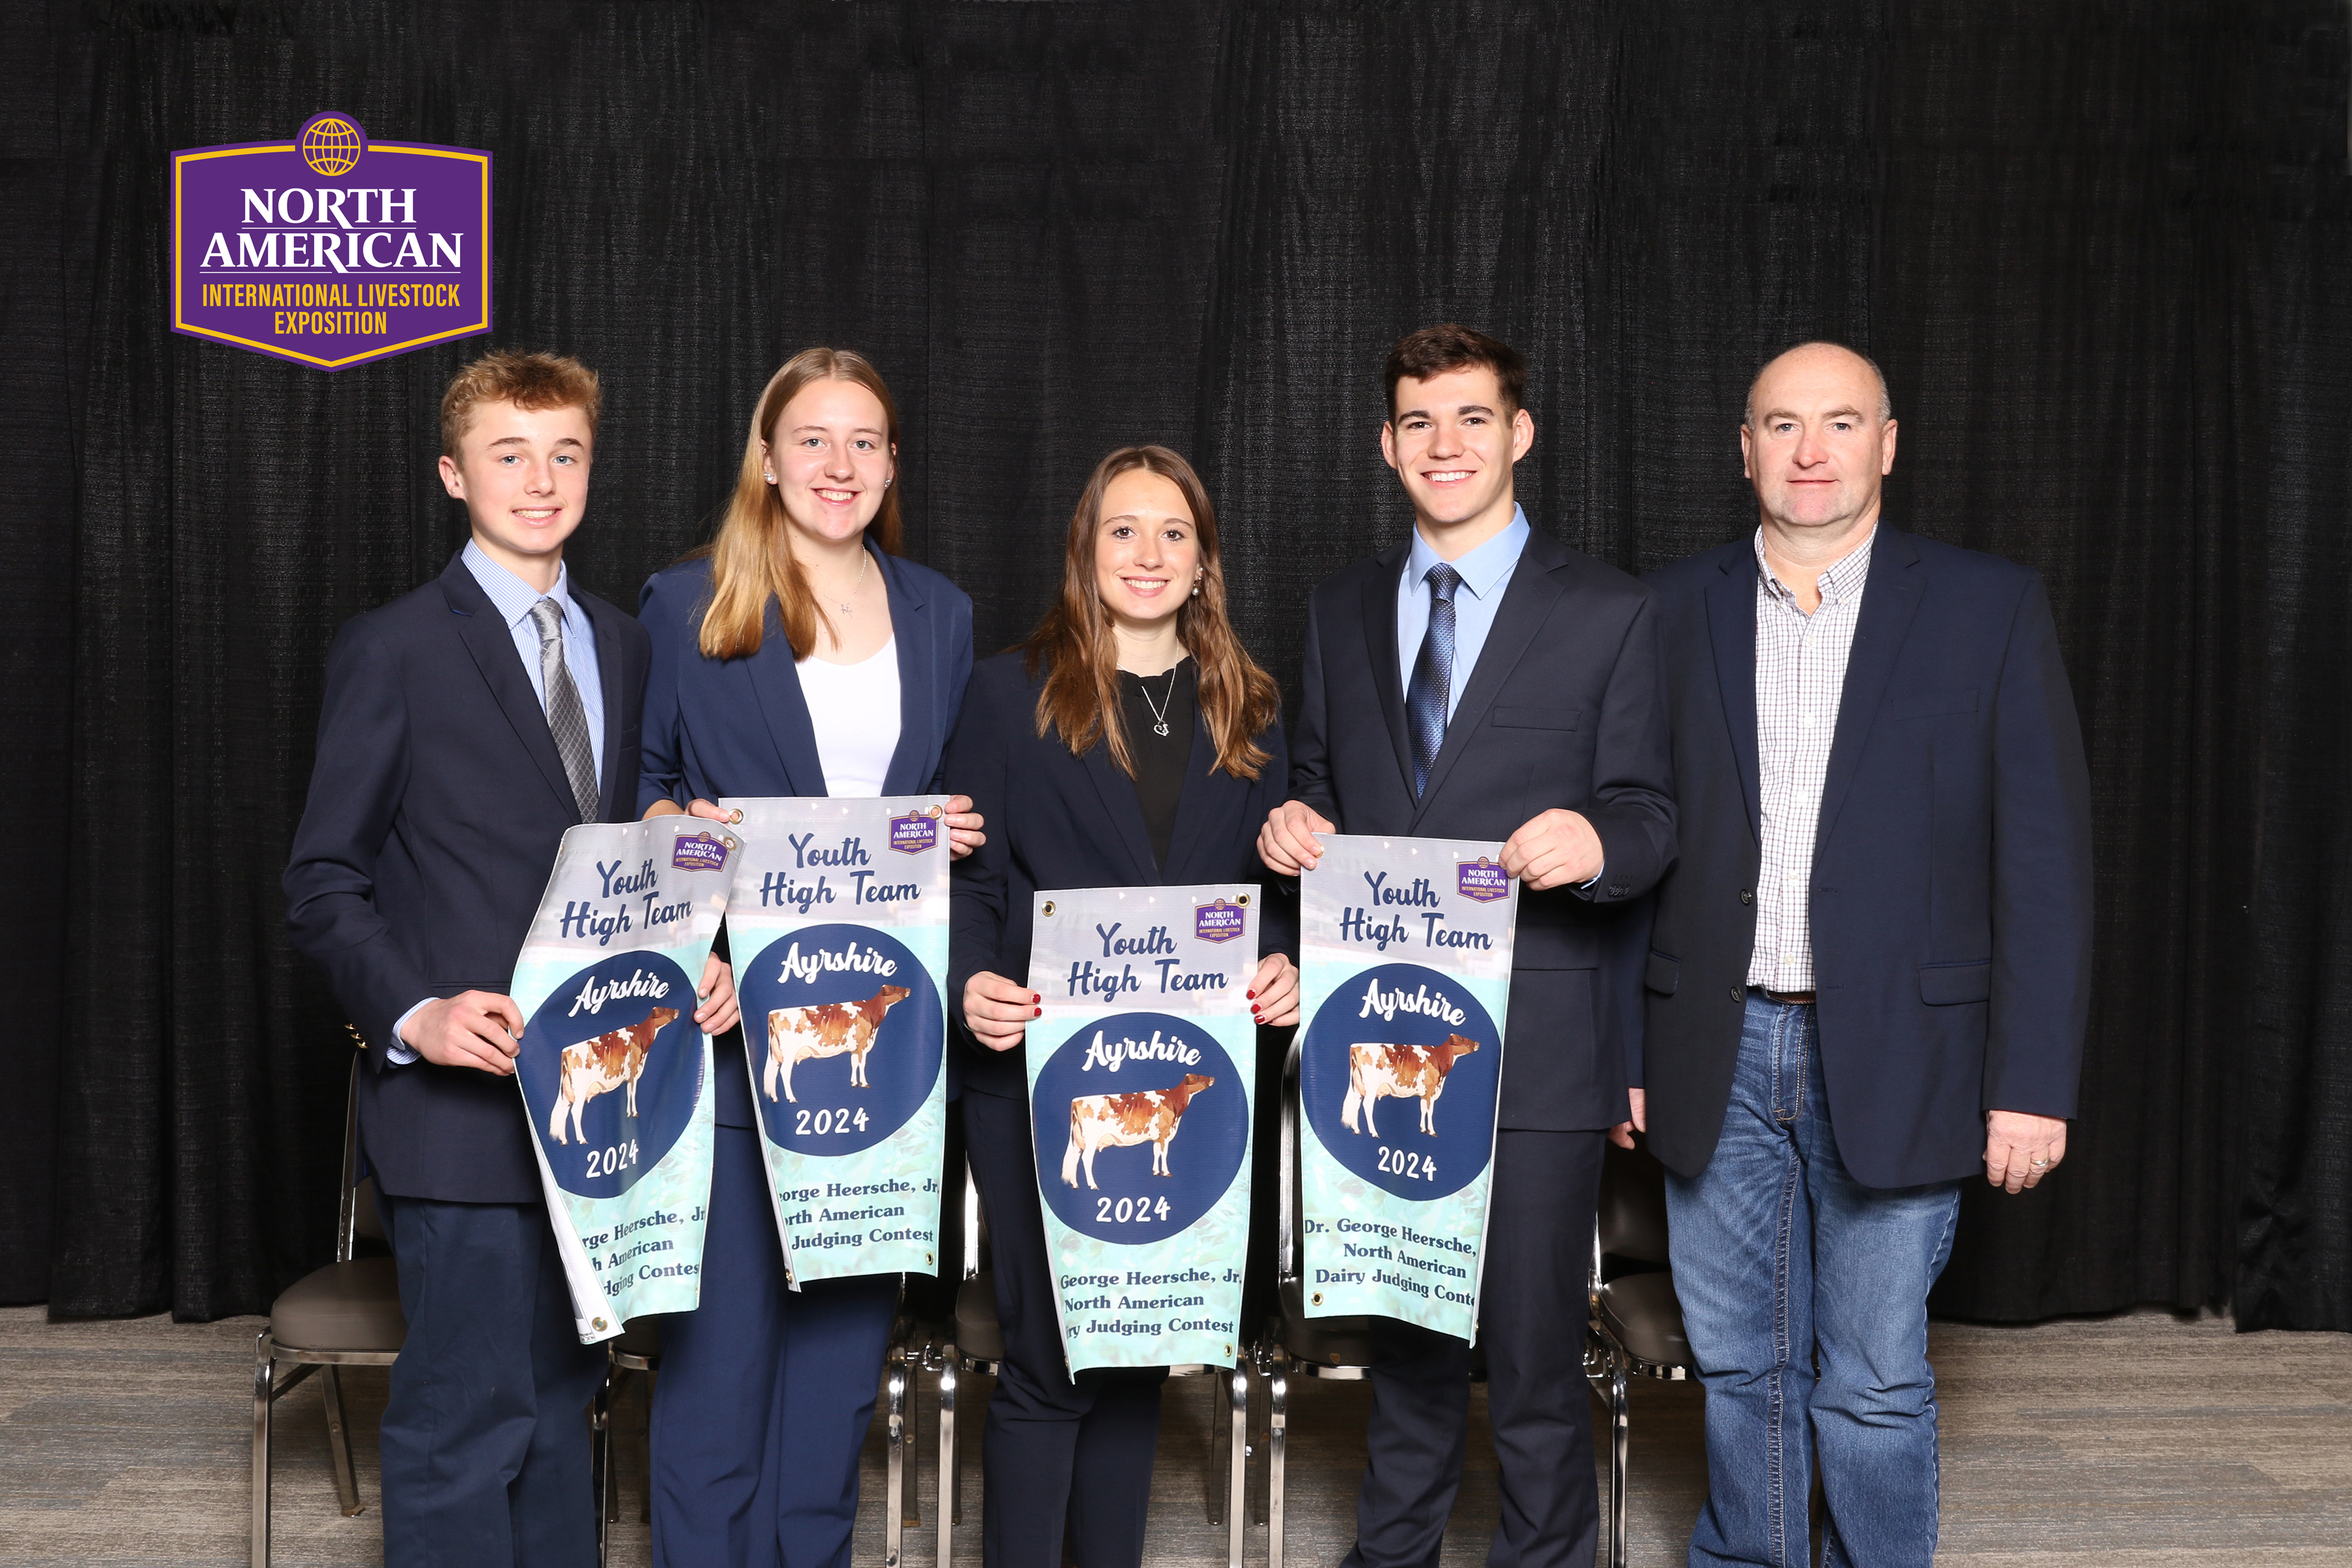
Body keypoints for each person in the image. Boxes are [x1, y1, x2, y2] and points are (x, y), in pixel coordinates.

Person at [1637, 341, 2092, 1567]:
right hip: (1713, 1042)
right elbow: (1640, 836)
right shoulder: (1670, 608)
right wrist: (1632, 1049)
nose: (1811, 450)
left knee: (1875, 1380)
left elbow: (2043, 866)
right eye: (1782, 425)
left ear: (1888, 442)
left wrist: (2032, 1085)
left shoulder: (1989, 606)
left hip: (1910, 1047)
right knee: (1738, 1367)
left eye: (1841, 423)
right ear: (1745, 450)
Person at [284, 349, 738, 1567]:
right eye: (509, 454)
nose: (541, 481)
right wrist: (415, 1014)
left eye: (565, 454)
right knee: (460, 1426)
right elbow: (323, 882)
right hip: (463, 1114)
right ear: (453, 472)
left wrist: (691, 956)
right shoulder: (394, 648)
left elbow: (623, 866)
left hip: (598, 1117)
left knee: (562, 1415)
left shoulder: (625, 643)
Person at [1259, 324, 1674, 1568]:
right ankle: (1395, 1553)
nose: (1449, 446)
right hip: (1378, 1035)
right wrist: (1292, 822)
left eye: (1474, 419)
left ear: (1520, 435)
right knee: (1407, 1341)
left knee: (1535, 1351)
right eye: (1421, 424)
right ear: (1388, 446)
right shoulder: (1337, 610)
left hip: (1539, 1042)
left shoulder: (1609, 609)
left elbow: (1652, 818)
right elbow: (1322, 788)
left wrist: (1593, 845)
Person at [636, 346, 982, 1568]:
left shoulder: (943, 611)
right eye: (815, 441)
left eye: (866, 443)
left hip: (880, 1044)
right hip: (739, 1029)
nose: (840, 467)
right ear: (769, 457)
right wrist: (679, 841)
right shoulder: (685, 604)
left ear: (892, 464)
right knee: (722, 1357)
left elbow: (931, 801)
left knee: (839, 1367)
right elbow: (642, 804)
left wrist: (946, 825)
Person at [948, 444, 1299, 1568]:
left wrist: (1287, 963)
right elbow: (971, 877)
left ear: (1204, 564)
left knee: (1145, 1345)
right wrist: (971, 978)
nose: (1147, 556)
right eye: (1123, 531)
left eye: (1173, 535)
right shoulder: (1006, 692)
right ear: (1085, 552)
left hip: (1194, 1069)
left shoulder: (1251, 705)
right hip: (1040, 1067)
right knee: (1051, 1359)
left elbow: (1279, 887)